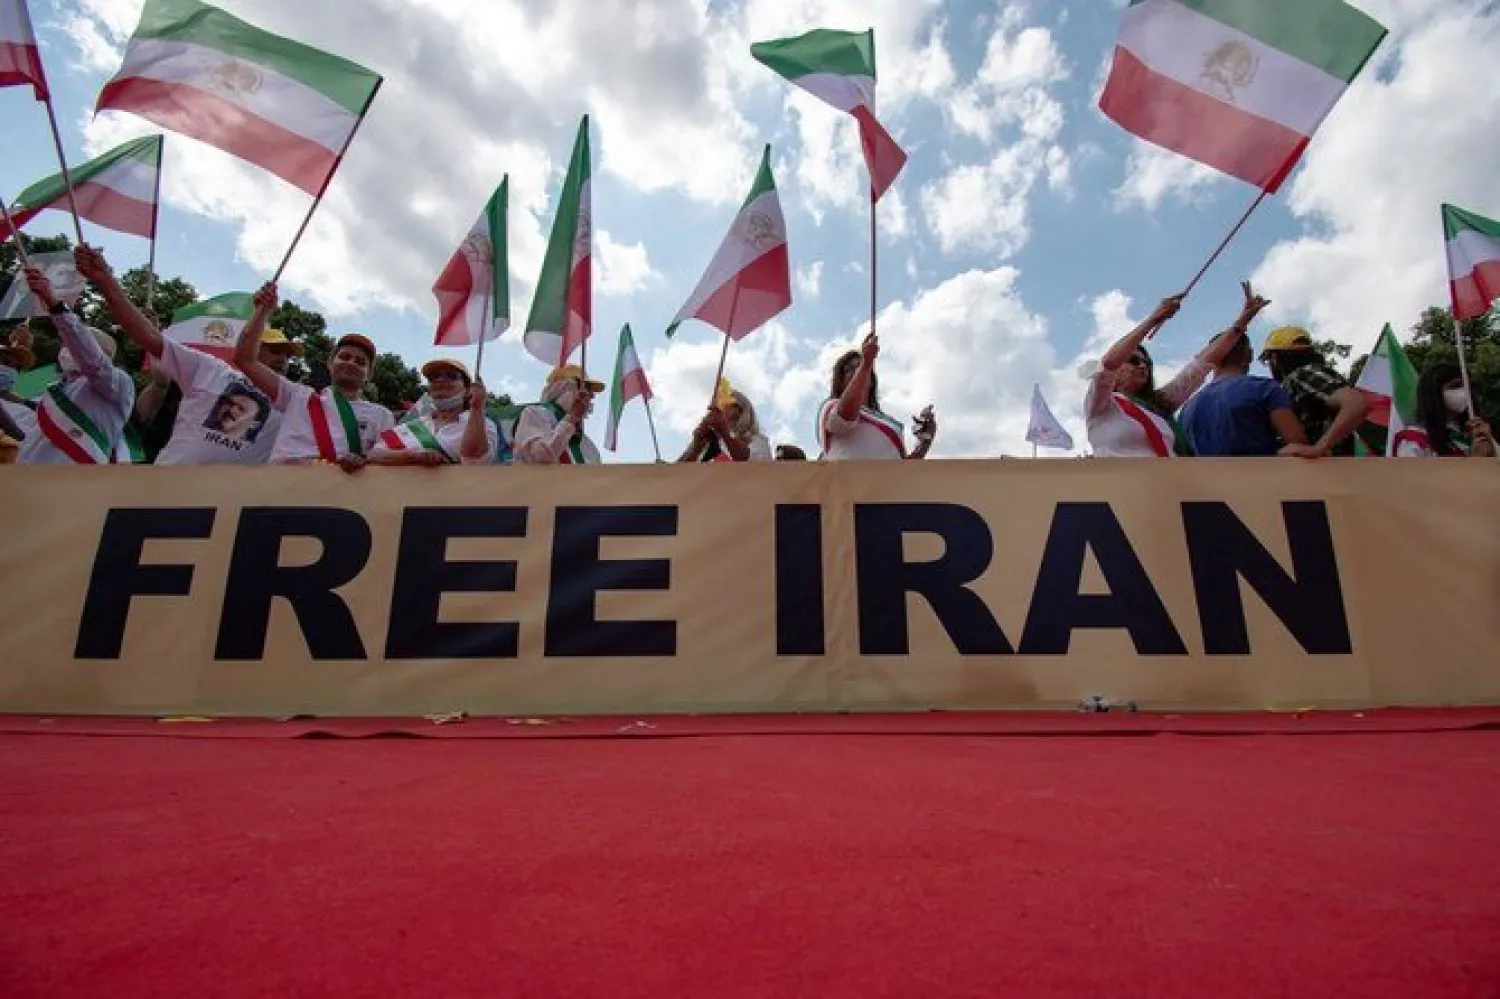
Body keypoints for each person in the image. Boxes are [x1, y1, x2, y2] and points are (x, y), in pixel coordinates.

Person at [76, 245, 298, 465]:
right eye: (275, 350)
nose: (283, 360)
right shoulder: (209, 370)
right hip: (166, 491)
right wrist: (105, 282)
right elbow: (147, 336)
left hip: (231, 500)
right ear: (250, 346)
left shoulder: (295, 403)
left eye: (288, 356)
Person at [1083, 282, 1269, 458]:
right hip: (1120, 486)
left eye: (1147, 362)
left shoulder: (1158, 404)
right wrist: (1153, 319)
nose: (1142, 365)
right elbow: (1109, 364)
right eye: (1133, 360)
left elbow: (1199, 367)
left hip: (1168, 484)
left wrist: (1242, 322)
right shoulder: (1101, 403)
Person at [233, 282, 393, 469]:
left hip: (342, 494)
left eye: (360, 362)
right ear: (330, 363)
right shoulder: (297, 396)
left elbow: (385, 459)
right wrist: (263, 311)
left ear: (369, 374)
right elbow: (245, 359)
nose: (351, 363)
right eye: (344, 357)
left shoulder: (382, 415)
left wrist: (364, 461)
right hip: (282, 491)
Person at [14, 261, 135, 465]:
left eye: (73, 344)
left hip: (72, 489)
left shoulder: (119, 384)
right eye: (66, 344)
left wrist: (53, 302)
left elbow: (90, 356)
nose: (67, 348)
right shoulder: (54, 390)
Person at [1178, 329, 1308, 456]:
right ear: (1249, 355)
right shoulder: (1264, 388)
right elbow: (1298, 444)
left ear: (1212, 358)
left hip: (1208, 477)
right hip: (1262, 475)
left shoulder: (1186, 409)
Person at [819, 332, 937, 460]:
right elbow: (841, 420)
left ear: (871, 382)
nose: (857, 370)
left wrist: (924, 440)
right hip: (848, 479)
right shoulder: (830, 406)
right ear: (840, 382)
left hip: (886, 480)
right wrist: (865, 364)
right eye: (849, 368)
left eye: (859, 367)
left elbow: (902, 471)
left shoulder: (887, 421)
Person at [1259, 326, 1371, 458]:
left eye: (1268, 359)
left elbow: (1355, 402)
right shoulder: (1304, 379)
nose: (1270, 365)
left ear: (1276, 358)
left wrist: (1319, 448)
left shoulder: (1303, 374)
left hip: (1326, 469)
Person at [368, 358, 497, 465]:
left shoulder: (483, 423)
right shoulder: (410, 425)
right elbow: (373, 454)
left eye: (451, 376)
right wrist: (414, 456)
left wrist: (477, 408)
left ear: (467, 389)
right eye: (434, 377)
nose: (440, 380)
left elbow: (477, 461)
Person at [1393, 363, 1496, 458]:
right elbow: (1412, 477)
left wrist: (1491, 442)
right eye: (1455, 386)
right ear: (1433, 393)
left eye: (1467, 386)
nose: (1464, 392)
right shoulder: (1414, 439)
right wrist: (1474, 462)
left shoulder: (1472, 434)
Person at [513, 364, 603, 465]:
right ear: (562, 388)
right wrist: (572, 417)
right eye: (584, 387)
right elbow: (541, 457)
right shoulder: (534, 413)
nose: (591, 396)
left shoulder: (586, 446)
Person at [679, 379, 772, 462]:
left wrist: (724, 431)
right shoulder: (707, 442)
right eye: (719, 404)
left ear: (742, 409)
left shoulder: (758, 441)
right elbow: (676, 474)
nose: (720, 408)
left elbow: (756, 469)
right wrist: (696, 448)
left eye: (728, 404)